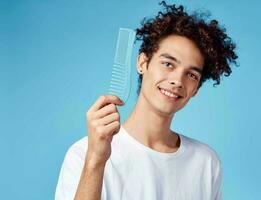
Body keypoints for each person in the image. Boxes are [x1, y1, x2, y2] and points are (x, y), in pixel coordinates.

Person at [55, 1, 238, 200]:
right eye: (168, 64)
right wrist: (96, 161)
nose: (177, 80)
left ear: (196, 89)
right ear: (143, 63)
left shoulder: (206, 162)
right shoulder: (84, 155)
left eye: (191, 75)